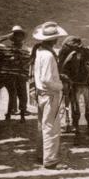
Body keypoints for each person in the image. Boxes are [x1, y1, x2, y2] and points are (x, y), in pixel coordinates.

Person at [31, 21, 69, 170]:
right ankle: (51, 160)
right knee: (52, 127)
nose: (57, 40)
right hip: (50, 94)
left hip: (41, 94)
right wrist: (60, 85)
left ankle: (41, 154)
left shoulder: (39, 51)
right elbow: (47, 79)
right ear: (53, 40)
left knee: (43, 125)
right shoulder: (48, 56)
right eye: (56, 38)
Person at [1, 25, 29, 121]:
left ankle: (22, 114)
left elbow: (26, 61)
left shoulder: (24, 48)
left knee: (22, 93)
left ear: (21, 37)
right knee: (12, 93)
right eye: (16, 35)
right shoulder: (8, 48)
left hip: (20, 74)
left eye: (19, 35)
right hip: (11, 74)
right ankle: (10, 112)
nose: (17, 37)